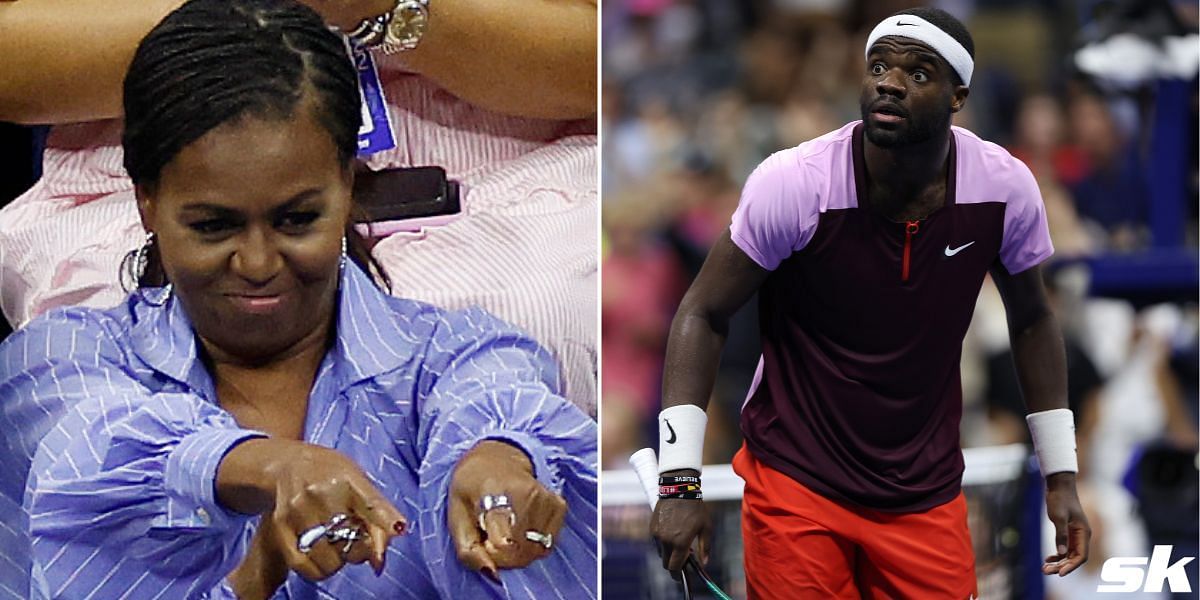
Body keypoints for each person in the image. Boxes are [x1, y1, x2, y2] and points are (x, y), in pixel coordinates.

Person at [0, 1, 596, 598]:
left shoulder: (461, 352)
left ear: (349, 185)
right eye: (213, 226)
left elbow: (497, 399)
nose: (258, 264)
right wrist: (267, 476)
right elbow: (99, 445)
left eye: (298, 220)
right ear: (146, 204)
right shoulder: (59, 359)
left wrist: (504, 462)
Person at [649, 7, 1091, 598]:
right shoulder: (795, 183)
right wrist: (679, 482)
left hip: (924, 495)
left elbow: (1034, 320)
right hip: (796, 486)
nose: (889, 81)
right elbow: (701, 313)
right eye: (878, 66)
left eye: (917, 73)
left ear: (958, 96)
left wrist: (1061, 475)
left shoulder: (1004, 188)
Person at [0, 0, 598, 415]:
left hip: (518, 176)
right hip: (181, 180)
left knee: (540, 316)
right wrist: (251, 24)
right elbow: (14, 64)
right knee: (132, 371)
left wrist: (384, 10)